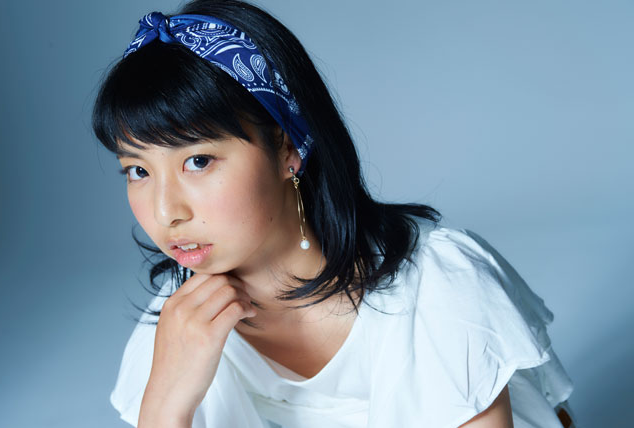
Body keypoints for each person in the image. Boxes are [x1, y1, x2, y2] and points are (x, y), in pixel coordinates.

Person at [92, 1, 577, 427]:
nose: (165, 211)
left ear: (288, 147)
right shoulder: (183, 320)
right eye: (137, 170)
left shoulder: (438, 289)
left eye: (198, 161)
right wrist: (166, 404)